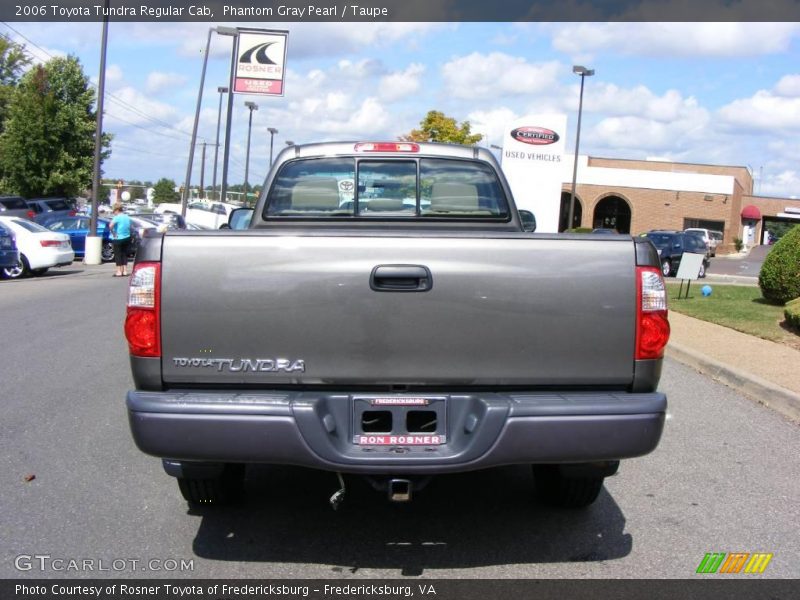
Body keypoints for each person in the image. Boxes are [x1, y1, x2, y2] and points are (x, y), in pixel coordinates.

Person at [109, 203, 133, 277]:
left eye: (114, 211)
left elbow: (110, 226)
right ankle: (125, 271)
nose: (114, 213)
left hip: (118, 238)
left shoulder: (117, 217)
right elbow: (129, 226)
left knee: (118, 255)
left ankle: (119, 271)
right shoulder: (127, 217)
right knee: (124, 254)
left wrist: (113, 233)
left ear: (117, 210)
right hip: (127, 237)